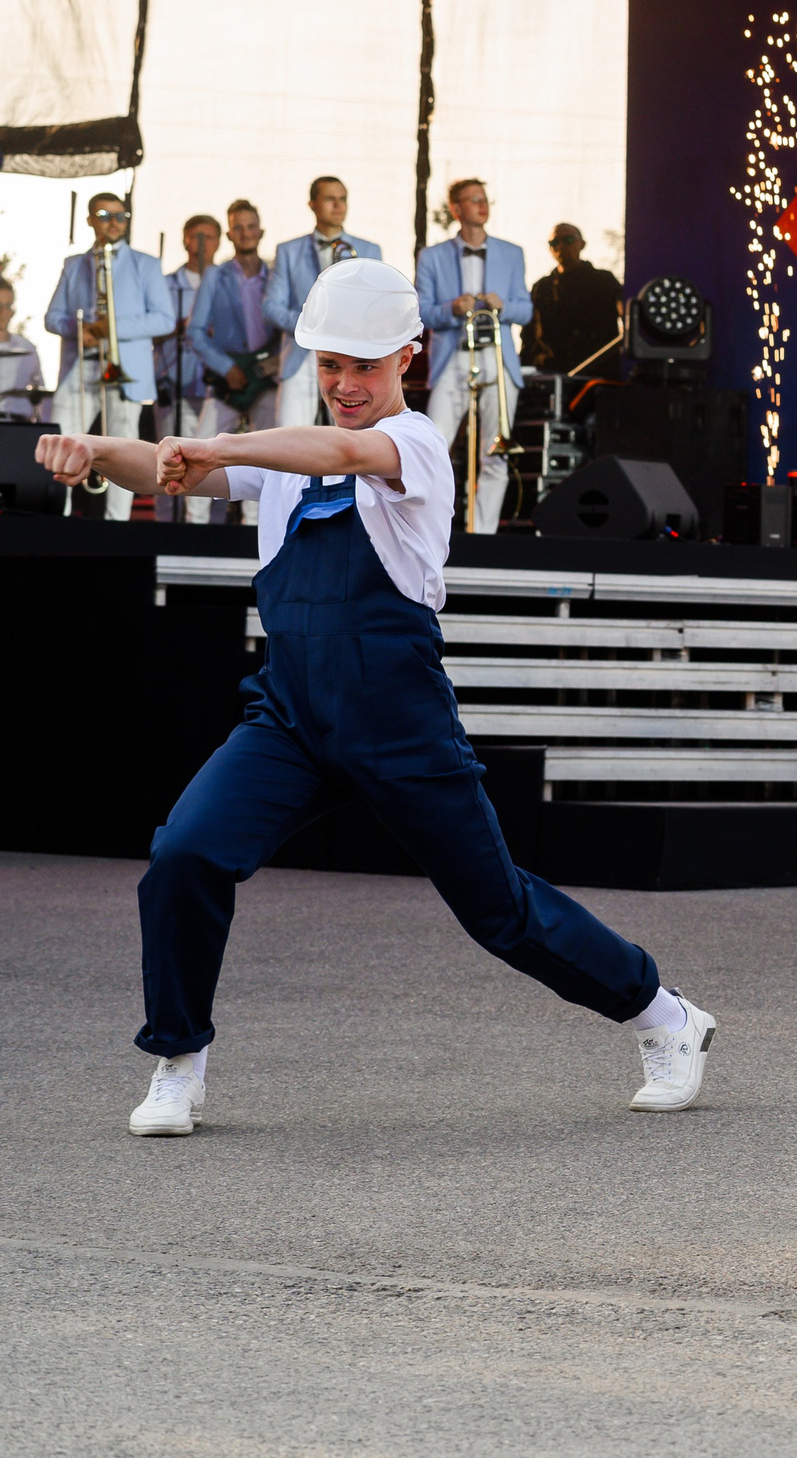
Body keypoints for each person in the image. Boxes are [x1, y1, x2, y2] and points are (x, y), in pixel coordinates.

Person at [35, 259, 716, 1137]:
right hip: (289, 714)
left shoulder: (417, 444)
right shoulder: (279, 458)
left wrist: (221, 446)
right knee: (184, 855)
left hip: (398, 718)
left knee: (499, 910)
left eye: (364, 365)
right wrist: (96, 451)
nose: (345, 385)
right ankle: (179, 1059)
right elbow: (165, 469)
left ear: (409, 355)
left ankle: (665, 1016)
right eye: (329, 365)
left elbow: (345, 450)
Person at [44, 193, 172, 520]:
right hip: (81, 369)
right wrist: (80, 329)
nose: (114, 222)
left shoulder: (146, 264)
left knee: (123, 450)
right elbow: (52, 317)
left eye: (121, 215)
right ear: (90, 220)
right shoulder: (74, 265)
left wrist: (110, 327)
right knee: (61, 443)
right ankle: (56, 518)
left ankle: (118, 525)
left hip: (122, 372)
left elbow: (164, 319)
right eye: (104, 214)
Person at [418, 178, 534, 533]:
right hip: (453, 357)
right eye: (473, 200)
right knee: (434, 448)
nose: (482, 206)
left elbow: (526, 311)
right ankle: (430, 529)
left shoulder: (512, 253)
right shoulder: (432, 256)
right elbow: (420, 312)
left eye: (485, 199)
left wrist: (506, 306)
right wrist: (451, 308)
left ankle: (482, 533)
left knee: (495, 453)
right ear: (456, 209)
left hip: (496, 358)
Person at [187, 200, 283, 520]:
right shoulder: (215, 276)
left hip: (268, 380)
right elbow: (196, 332)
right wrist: (226, 367)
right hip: (228, 380)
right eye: (238, 227)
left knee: (266, 459)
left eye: (251, 226)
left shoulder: (276, 276)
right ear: (230, 234)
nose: (245, 233)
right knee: (200, 451)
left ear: (261, 231)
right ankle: (193, 530)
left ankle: (254, 533)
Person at [265, 176, 382, 428]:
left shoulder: (369, 250)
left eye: (342, 199)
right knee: (291, 438)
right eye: (330, 199)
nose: (338, 206)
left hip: (351, 354)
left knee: (350, 436)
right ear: (312, 204)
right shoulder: (288, 250)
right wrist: (312, 324)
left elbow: (377, 307)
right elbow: (272, 307)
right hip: (300, 353)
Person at [156, 214, 225, 522]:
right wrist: (180, 327)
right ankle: (168, 531)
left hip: (218, 389)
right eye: (196, 236)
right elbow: (150, 328)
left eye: (209, 237)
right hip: (175, 384)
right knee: (170, 464)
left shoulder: (228, 281)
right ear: (184, 239)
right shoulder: (167, 284)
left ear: (219, 242)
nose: (202, 244)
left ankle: (213, 532)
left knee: (219, 465)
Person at [523, 223, 625, 379]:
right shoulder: (542, 288)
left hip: (597, 373)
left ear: (582, 244)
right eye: (555, 242)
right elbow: (529, 332)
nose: (561, 246)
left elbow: (626, 314)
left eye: (568, 239)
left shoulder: (604, 281)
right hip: (552, 373)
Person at [0, 273, 51, 423]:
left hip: (20, 426)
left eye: (8, 306)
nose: (3, 313)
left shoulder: (27, 348)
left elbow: (41, 393)